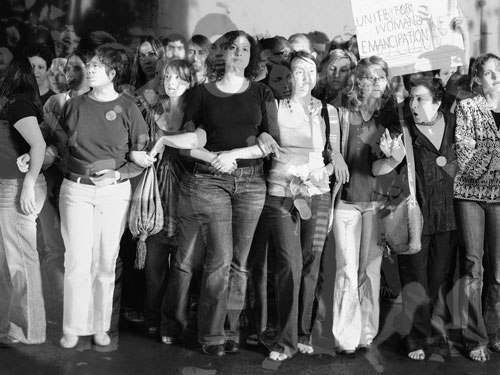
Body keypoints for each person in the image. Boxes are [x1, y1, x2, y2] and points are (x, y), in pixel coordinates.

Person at [155, 29, 280, 357]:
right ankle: (210, 335)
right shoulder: (202, 93)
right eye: (232, 48)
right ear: (221, 53)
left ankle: (230, 329)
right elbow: (193, 140)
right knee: (220, 259)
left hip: (251, 183)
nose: (239, 53)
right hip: (209, 181)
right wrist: (211, 155)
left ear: (251, 56)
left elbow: (269, 142)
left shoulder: (261, 93)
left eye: (244, 49)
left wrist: (235, 156)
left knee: (240, 263)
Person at [56, 45, 149, 349]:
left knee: (106, 263)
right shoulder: (74, 105)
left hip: (113, 192)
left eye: (97, 65)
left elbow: (140, 155)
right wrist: (35, 157)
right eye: (90, 64)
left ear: (113, 73)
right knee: (77, 262)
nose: (90, 69)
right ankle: (73, 327)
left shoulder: (130, 108)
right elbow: (57, 145)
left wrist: (118, 174)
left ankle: (100, 325)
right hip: (76, 190)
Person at [252, 51, 338, 361]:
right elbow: (259, 138)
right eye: (298, 71)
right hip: (280, 195)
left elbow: (333, 158)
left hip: (318, 194)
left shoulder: (328, 112)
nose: (304, 77)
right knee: (289, 264)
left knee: (311, 262)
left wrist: (319, 174)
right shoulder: (273, 107)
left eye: (310, 71)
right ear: (289, 76)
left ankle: (303, 332)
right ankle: (284, 340)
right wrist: (261, 133)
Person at [374, 77, 458, 360]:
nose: (413, 103)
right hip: (415, 214)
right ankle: (414, 338)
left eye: (420, 98)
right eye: (411, 98)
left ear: (437, 102)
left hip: (447, 214)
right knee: (415, 279)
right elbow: (380, 169)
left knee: (437, 278)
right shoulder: (402, 127)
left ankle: (432, 331)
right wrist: (390, 156)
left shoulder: (453, 122)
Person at [330, 56, 399, 354]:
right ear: (358, 80)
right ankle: (345, 336)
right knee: (346, 268)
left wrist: (391, 156)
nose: (373, 82)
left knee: (370, 269)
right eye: (368, 77)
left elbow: (378, 169)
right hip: (347, 200)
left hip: (376, 203)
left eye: (380, 77)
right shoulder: (343, 112)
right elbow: (331, 144)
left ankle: (366, 333)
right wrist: (335, 155)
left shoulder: (390, 117)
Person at [129, 59, 195, 336]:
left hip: (186, 192)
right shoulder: (151, 110)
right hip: (153, 194)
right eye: (167, 77)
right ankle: (153, 317)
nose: (171, 83)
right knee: (154, 266)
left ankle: (174, 323)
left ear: (190, 82)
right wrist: (138, 154)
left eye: (178, 78)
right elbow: (136, 144)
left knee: (182, 266)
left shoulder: (196, 113)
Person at [453, 53, 500, 362]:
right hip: (470, 194)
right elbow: (464, 155)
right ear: (478, 79)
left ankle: (494, 332)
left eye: (499, 71)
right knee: (474, 266)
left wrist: (484, 150)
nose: (495, 76)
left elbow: (476, 151)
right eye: (489, 72)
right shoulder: (467, 107)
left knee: (498, 270)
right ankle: (474, 338)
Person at [0, 57, 47, 344]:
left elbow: (38, 144)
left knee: (21, 261)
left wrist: (28, 184)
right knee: (10, 262)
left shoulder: (16, 102)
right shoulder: (12, 102)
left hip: (16, 187)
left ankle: (29, 331)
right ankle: (15, 328)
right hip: (9, 185)